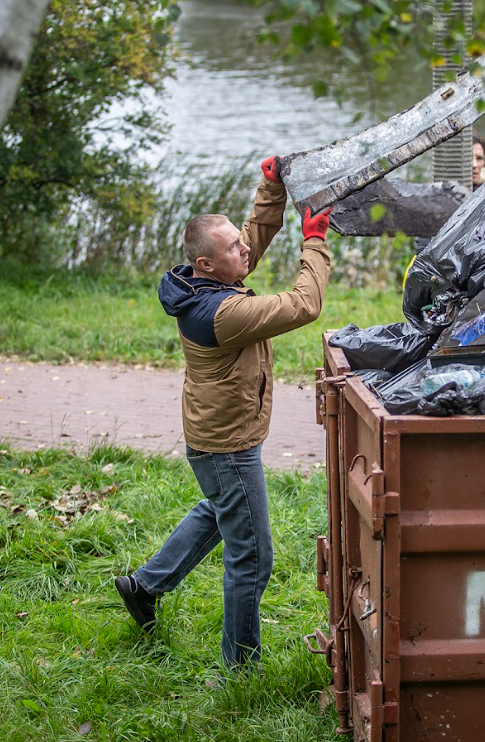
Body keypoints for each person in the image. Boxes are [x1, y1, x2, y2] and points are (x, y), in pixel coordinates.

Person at [114, 155, 332, 670]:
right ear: (208, 265)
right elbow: (304, 304)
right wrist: (315, 240)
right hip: (228, 445)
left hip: (217, 436)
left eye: (239, 240)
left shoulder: (204, 281)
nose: (245, 249)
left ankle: (145, 586)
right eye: (233, 247)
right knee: (252, 557)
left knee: (222, 511)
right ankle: (240, 668)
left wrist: (271, 187)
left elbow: (251, 237)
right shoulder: (222, 312)